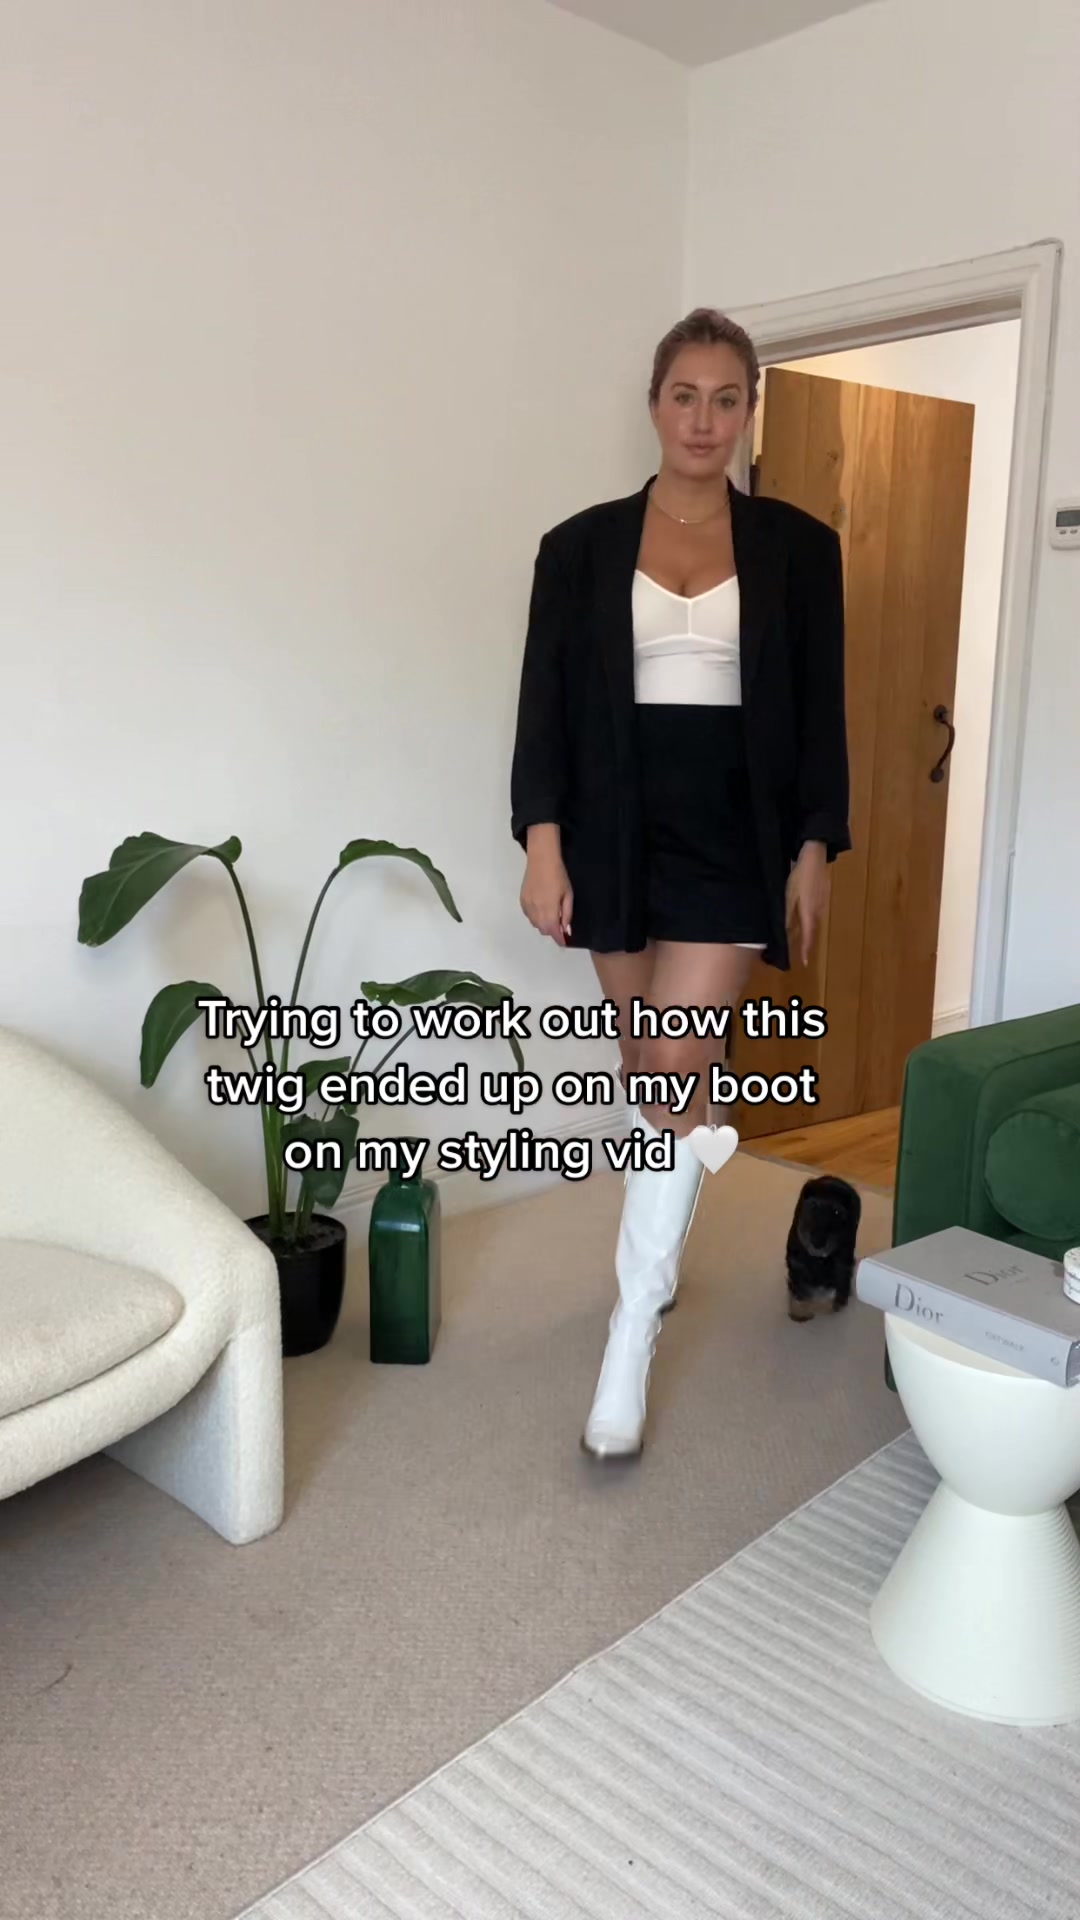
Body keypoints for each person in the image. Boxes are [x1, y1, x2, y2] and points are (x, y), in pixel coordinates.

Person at [510, 308, 851, 1461]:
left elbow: (820, 712)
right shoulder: (578, 547)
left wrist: (814, 844)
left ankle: (630, 1334)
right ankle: (699, 1138)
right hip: (611, 829)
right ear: (655, 405)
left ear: (750, 410)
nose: (705, 420)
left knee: (666, 1062)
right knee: (652, 1062)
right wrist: (542, 841)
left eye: (727, 398)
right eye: (684, 396)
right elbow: (544, 708)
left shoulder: (800, 548)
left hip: (733, 838)